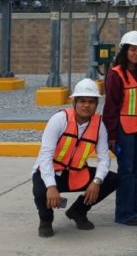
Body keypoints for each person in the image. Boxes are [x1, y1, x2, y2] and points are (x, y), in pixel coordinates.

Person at [32, 79, 119, 238]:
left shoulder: (99, 125)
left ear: (96, 104)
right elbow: (45, 156)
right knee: (40, 190)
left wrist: (96, 181)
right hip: (51, 172)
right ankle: (45, 220)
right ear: (74, 102)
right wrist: (51, 186)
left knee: (112, 179)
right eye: (82, 101)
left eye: (91, 102)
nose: (86, 105)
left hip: (77, 173)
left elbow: (104, 158)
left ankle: (78, 211)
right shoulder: (60, 119)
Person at [102, 31, 137, 226]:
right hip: (123, 131)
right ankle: (123, 213)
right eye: (133, 50)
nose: (136, 54)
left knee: (135, 170)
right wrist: (111, 136)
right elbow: (110, 108)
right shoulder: (115, 74)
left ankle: (132, 208)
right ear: (125, 51)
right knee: (126, 171)